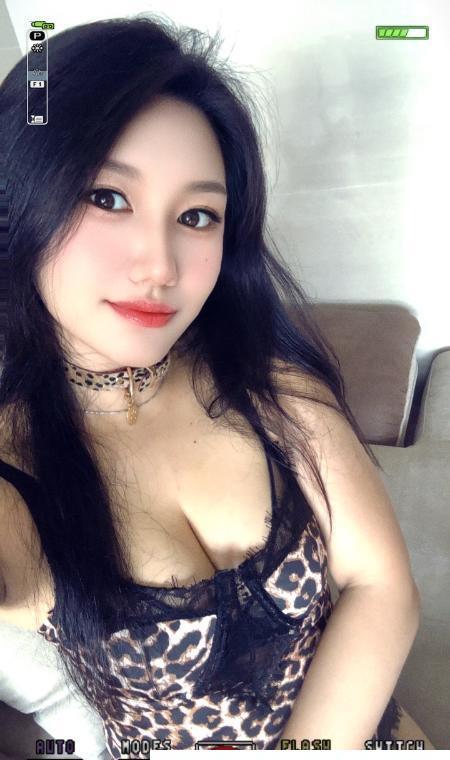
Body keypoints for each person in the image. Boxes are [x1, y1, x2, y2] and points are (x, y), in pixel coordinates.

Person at [0, 14, 435, 755]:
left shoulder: (266, 379)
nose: (160, 264)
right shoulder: (16, 465)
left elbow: (381, 585)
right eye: (108, 197)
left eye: (197, 215)